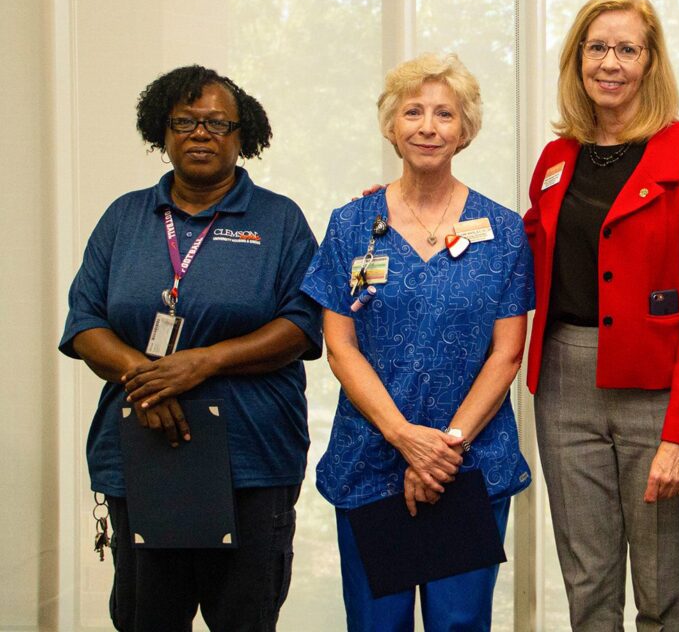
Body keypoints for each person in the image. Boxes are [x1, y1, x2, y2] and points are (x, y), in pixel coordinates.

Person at [59, 65, 323, 632]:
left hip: (252, 459)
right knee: (146, 619)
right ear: (162, 132)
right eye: (184, 122)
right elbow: (84, 323)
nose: (200, 133)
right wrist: (145, 380)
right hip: (144, 453)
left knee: (245, 620)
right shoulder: (124, 217)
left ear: (242, 135)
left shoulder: (279, 220)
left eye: (217, 123)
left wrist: (202, 363)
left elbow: (302, 326)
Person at [300, 52, 534, 632]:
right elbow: (340, 347)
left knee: (459, 624)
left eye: (444, 114)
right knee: (378, 625)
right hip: (373, 458)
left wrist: (443, 449)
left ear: (465, 130)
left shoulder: (504, 231)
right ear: (391, 125)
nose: (428, 127)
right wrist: (405, 438)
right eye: (413, 112)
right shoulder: (352, 224)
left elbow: (507, 353)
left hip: (467, 462)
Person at [524, 0, 679, 630]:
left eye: (627, 49)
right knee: (587, 585)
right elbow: (522, 247)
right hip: (565, 384)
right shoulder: (557, 158)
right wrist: (418, 206)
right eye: (597, 48)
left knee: (662, 591)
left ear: (651, 62)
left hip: (660, 392)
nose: (609, 62)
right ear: (577, 59)